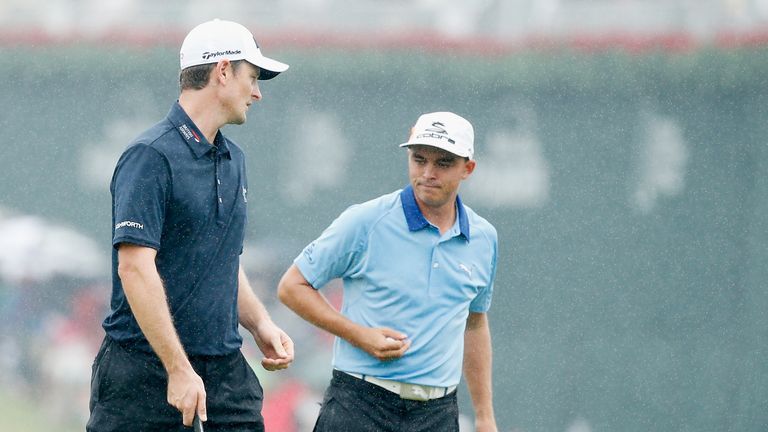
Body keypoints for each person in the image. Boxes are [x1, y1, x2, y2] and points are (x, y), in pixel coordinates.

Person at [86, 19, 294, 432]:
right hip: (144, 375)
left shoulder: (234, 160)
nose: (257, 92)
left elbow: (221, 259)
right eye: (252, 78)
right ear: (222, 71)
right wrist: (177, 369)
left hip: (224, 374)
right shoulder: (150, 156)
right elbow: (135, 268)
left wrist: (259, 323)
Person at [278, 112, 499, 432]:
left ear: (468, 168)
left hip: (437, 414)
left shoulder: (484, 238)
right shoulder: (366, 221)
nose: (427, 173)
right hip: (359, 404)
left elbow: (475, 322)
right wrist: (359, 335)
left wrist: (485, 416)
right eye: (419, 159)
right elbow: (292, 286)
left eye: (443, 163)